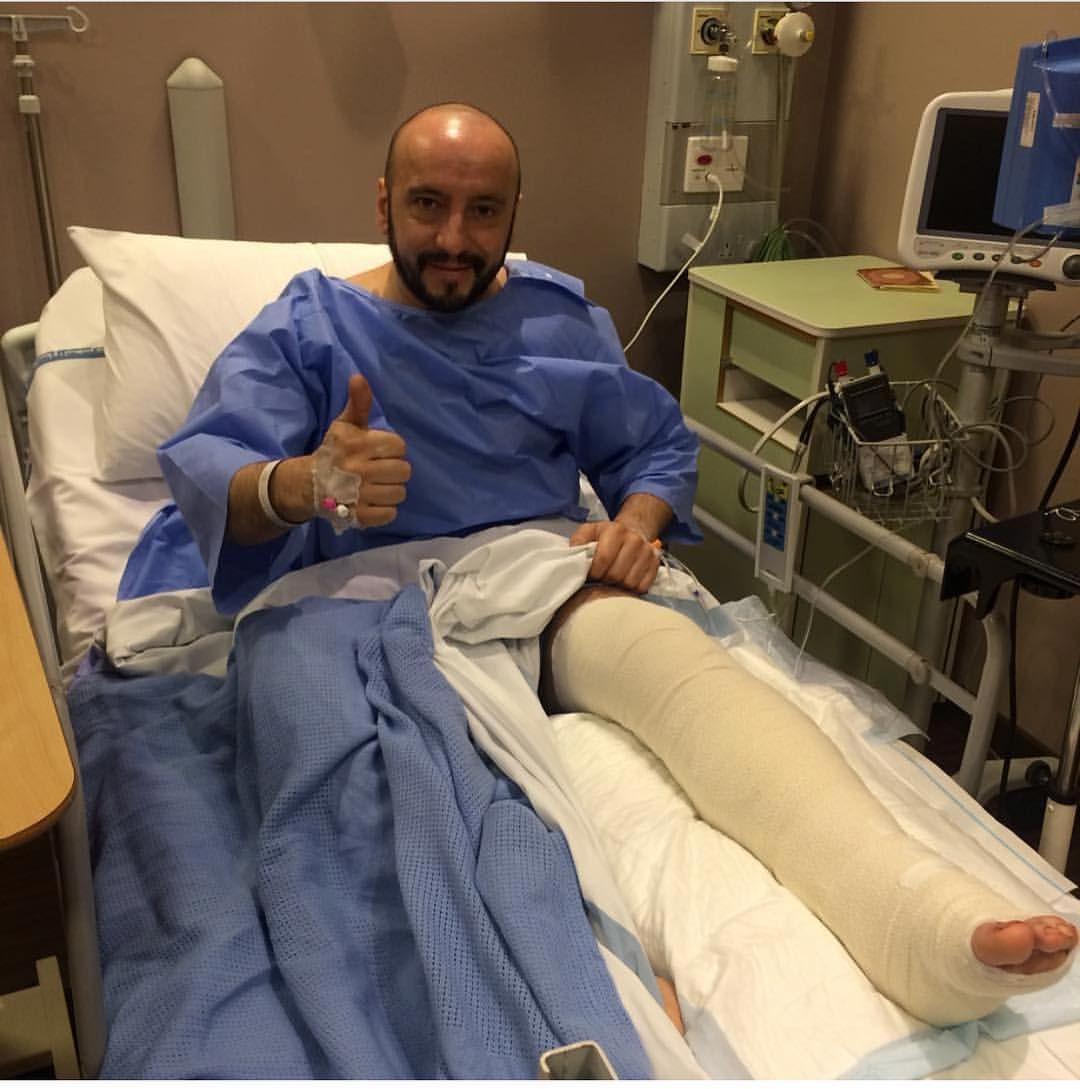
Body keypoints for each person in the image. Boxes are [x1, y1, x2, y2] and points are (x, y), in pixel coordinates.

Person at [119, 101, 1075, 1032]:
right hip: (349, 606)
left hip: (534, 574)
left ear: (513, 214)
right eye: (427, 204)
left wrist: (635, 524)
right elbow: (214, 473)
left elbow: (651, 447)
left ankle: (914, 914)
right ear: (383, 204)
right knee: (348, 795)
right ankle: (532, 997)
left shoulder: (557, 320)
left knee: (693, 685)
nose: (453, 237)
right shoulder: (310, 325)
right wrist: (304, 484)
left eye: (482, 211)